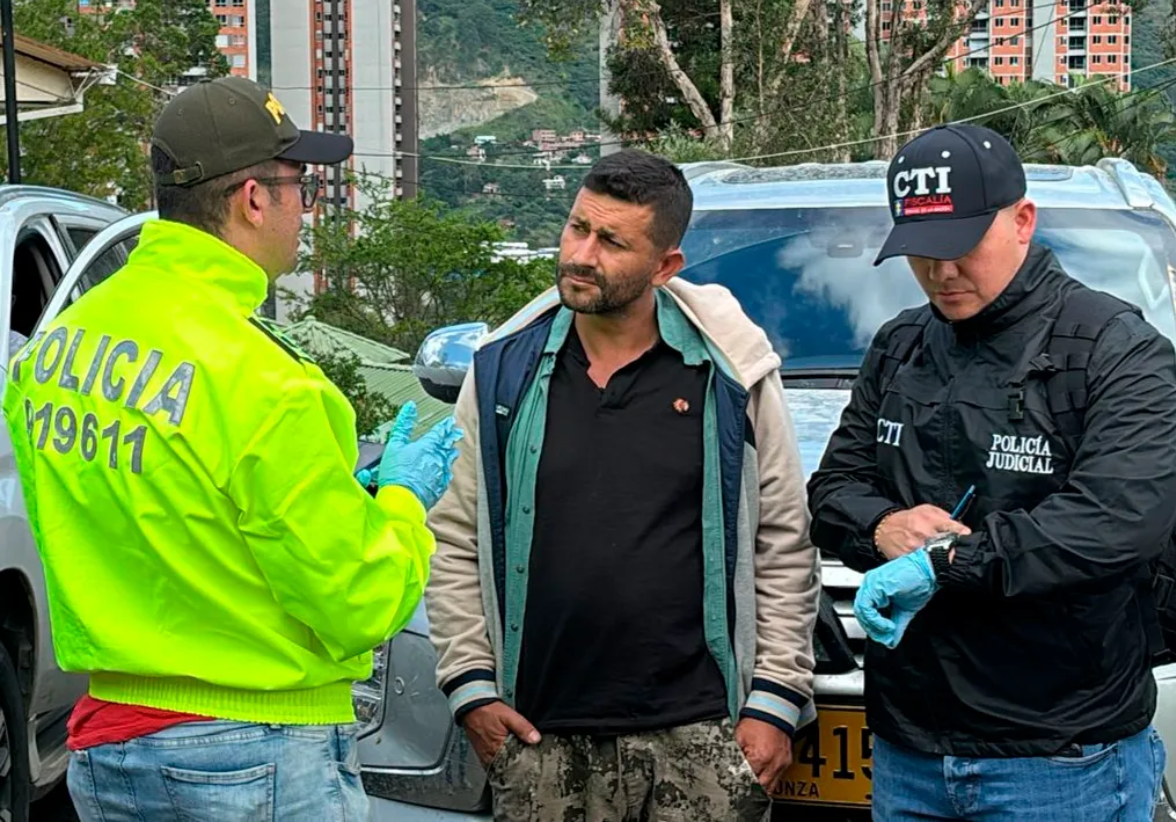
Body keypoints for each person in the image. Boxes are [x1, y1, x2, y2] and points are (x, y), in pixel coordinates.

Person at [2, 76, 462, 821]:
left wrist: (331, 490)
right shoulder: (266, 379)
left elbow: (153, 503)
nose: (303, 212)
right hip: (250, 755)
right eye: (300, 189)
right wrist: (403, 501)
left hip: (108, 743)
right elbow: (362, 603)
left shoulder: (54, 350)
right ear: (254, 198)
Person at [425, 148, 820, 821]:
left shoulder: (729, 373)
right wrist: (471, 689)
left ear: (665, 267)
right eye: (578, 227)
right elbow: (455, 537)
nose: (581, 255)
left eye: (612, 241)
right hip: (539, 735)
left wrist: (775, 699)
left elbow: (782, 540)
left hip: (702, 736)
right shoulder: (504, 371)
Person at [807, 123, 1176, 821]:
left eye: (962, 248)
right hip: (906, 747)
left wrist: (944, 563)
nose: (942, 273)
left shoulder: (1115, 349)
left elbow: (1114, 522)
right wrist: (883, 525)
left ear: (1023, 222)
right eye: (922, 252)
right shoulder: (900, 346)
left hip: (1060, 758)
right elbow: (830, 492)